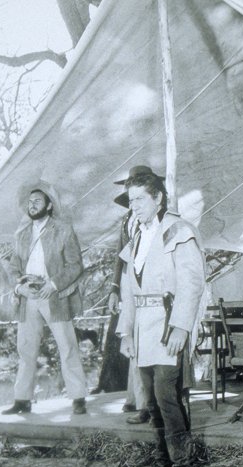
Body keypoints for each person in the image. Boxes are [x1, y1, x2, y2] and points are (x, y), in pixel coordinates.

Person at [116, 169, 205, 467]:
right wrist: (125, 332)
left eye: (140, 199)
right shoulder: (136, 237)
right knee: (152, 402)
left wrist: (181, 326)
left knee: (168, 397)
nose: (134, 205)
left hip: (168, 325)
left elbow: (192, 282)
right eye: (131, 200)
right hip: (142, 329)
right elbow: (128, 290)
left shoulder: (178, 230)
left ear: (158, 198)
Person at [3, 181, 88, 415]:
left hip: (54, 295)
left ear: (49, 206)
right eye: (30, 203)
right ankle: (22, 400)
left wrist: (53, 285)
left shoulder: (63, 229)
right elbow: (12, 267)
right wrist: (20, 288)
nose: (32, 206)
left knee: (68, 346)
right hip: (28, 293)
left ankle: (78, 397)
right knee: (25, 348)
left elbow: (75, 265)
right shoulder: (21, 234)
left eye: (37, 202)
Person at [108, 166, 154, 424]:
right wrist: (115, 288)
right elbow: (120, 257)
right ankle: (135, 398)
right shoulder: (127, 221)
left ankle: (148, 403)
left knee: (147, 346)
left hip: (150, 287)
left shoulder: (159, 220)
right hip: (130, 284)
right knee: (132, 341)